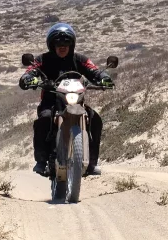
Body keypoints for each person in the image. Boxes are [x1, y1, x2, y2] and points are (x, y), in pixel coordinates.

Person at [19, 22, 113, 177]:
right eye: (58, 43)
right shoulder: (43, 59)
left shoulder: (80, 59)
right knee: (44, 119)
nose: (62, 46)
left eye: (66, 43)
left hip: (76, 102)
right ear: (52, 45)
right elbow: (31, 70)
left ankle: (92, 163)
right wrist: (28, 78)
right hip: (50, 102)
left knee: (95, 119)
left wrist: (104, 77)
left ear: (72, 44)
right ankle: (41, 162)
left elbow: (93, 70)